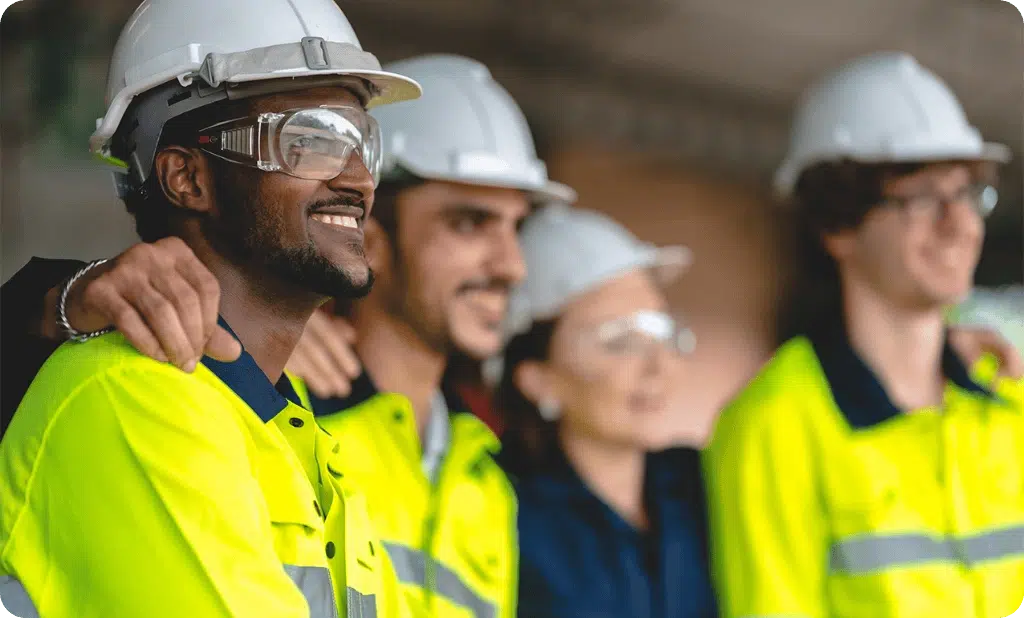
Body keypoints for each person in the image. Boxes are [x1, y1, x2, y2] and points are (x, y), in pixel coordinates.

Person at [0, 0, 423, 615]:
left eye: (362, 142)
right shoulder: (136, 395)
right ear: (187, 179)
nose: (358, 179)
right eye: (308, 140)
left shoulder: (291, 431)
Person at [703, 51, 1024, 618]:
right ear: (838, 226)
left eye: (967, 194)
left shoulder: (1004, 397)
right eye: (922, 198)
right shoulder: (772, 425)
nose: (959, 225)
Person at [283, 54, 574, 618]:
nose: (512, 265)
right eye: (469, 223)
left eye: (516, 228)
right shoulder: (284, 421)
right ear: (365, 237)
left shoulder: (487, 481)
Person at [495, 203, 717, 618]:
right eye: (619, 340)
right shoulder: (502, 512)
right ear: (537, 379)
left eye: (661, 331)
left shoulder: (700, 487)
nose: (657, 365)